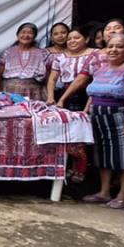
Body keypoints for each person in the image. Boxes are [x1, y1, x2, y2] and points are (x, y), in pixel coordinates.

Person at [73, 34, 124, 209]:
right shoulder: (101, 69)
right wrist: (86, 111)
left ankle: (123, 194)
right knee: (102, 155)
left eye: (119, 46)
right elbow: (94, 93)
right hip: (98, 117)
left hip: (121, 116)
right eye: (110, 46)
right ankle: (104, 192)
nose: (113, 50)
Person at [48, 28, 96, 182]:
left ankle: (81, 168)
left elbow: (93, 79)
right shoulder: (61, 57)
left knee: (82, 133)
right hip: (65, 95)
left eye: (76, 37)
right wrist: (51, 97)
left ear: (86, 39)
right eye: (69, 39)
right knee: (67, 133)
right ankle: (68, 167)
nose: (72, 41)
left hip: (86, 95)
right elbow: (52, 79)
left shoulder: (94, 54)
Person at [0, 23, 50, 100]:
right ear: (17, 35)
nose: (26, 35)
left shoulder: (42, 53)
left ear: (34, 36)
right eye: (23, 32)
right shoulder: (8, 52)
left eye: (30, 33)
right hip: (10, 91)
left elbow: (48, 76)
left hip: (34, 92)